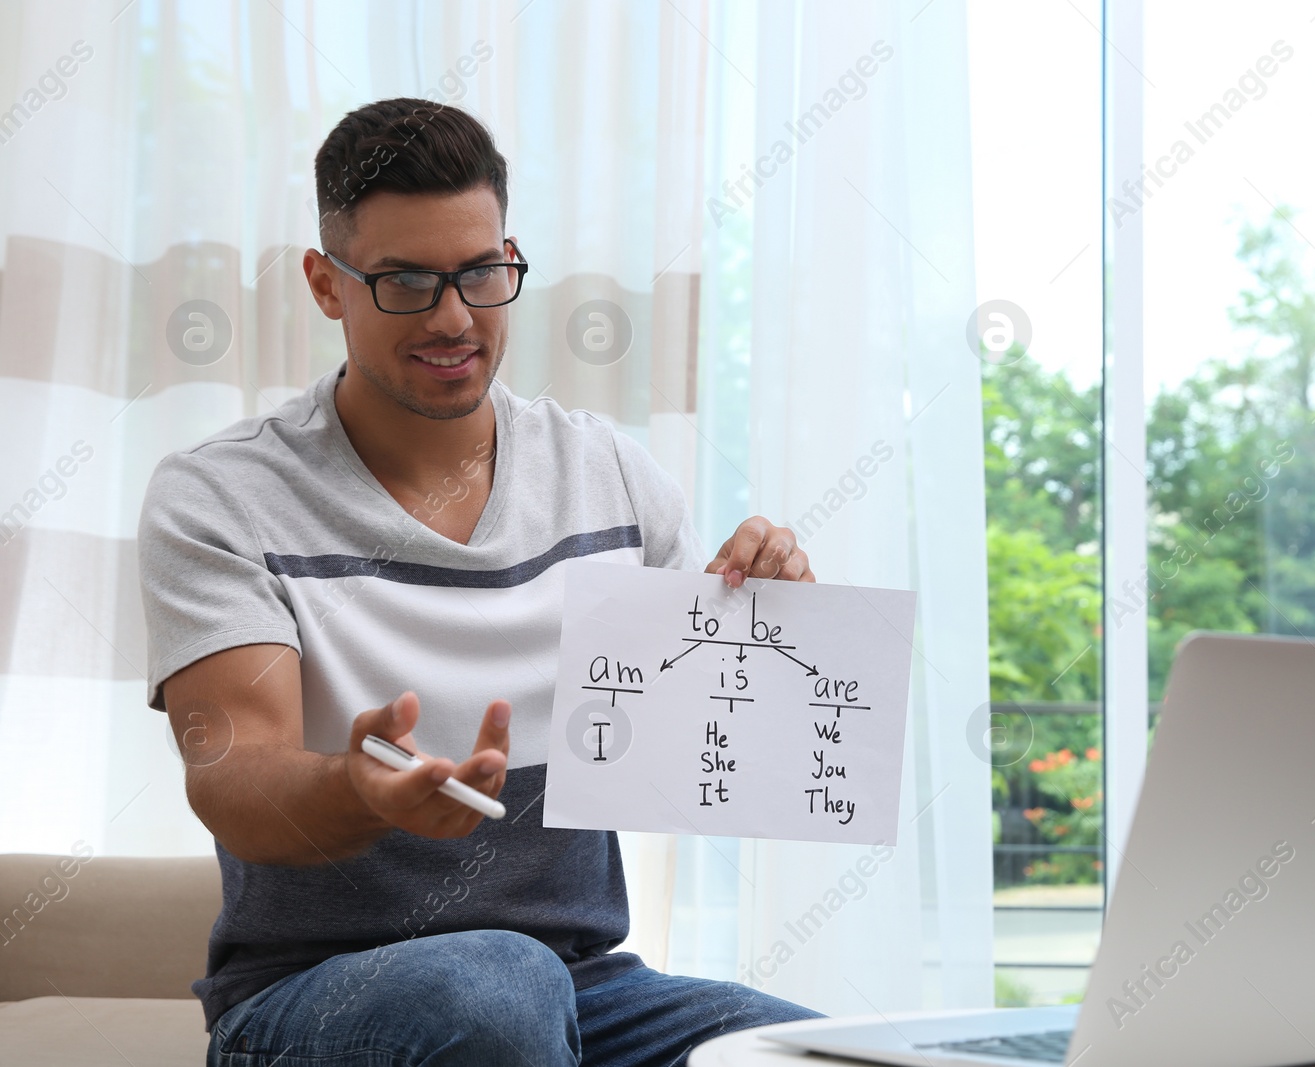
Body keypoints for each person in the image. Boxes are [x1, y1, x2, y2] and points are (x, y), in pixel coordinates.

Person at [137, 96, 823, 1067]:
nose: (454, 317)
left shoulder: (611, 479)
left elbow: (718, 751)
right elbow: (234, 771)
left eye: (481, 273)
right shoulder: (222, 496)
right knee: (500, 985)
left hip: (582, 987)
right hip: (311, 999)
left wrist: (776, 628)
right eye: (406, 282)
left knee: (814, 1050)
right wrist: (359, 790)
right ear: (326, 285)